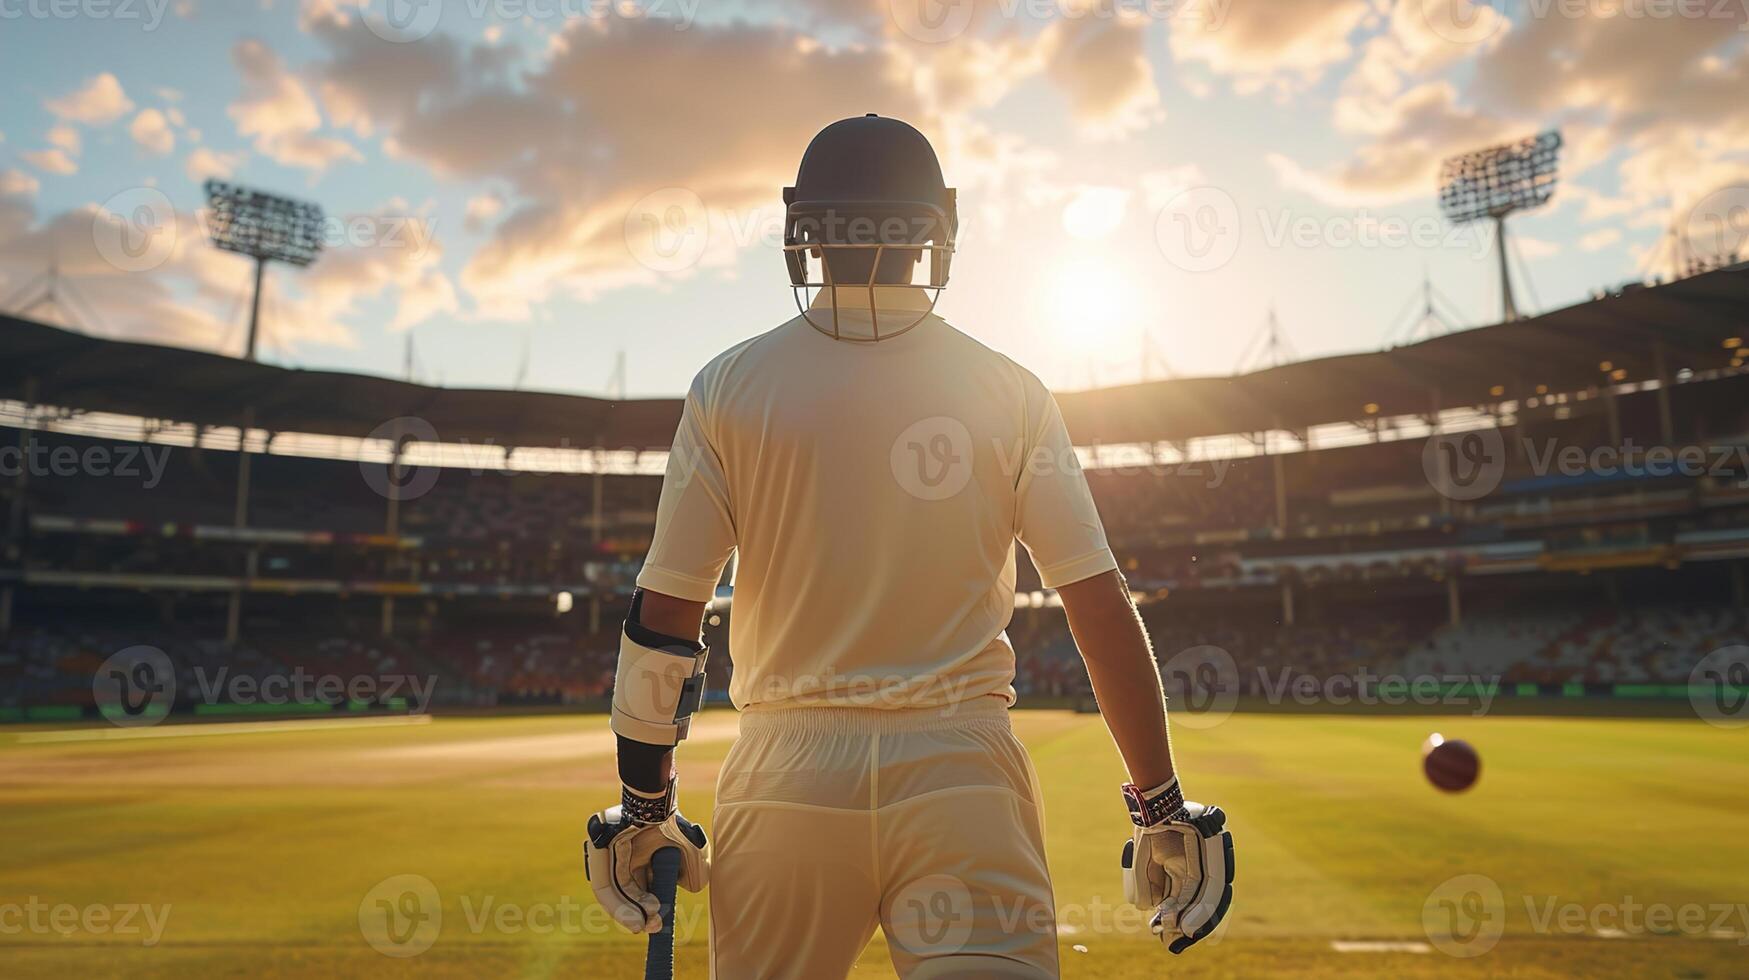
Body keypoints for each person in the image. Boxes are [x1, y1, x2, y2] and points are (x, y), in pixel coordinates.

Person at [584, 114, 1234, 978]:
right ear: (937, 228)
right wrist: (1158, 804)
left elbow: (666, 616)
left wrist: (642, 804)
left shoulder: (728, 387)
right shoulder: (1009, 390)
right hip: (961, 769)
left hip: (785, 776)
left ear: (803, 229)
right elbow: (1094, 602)